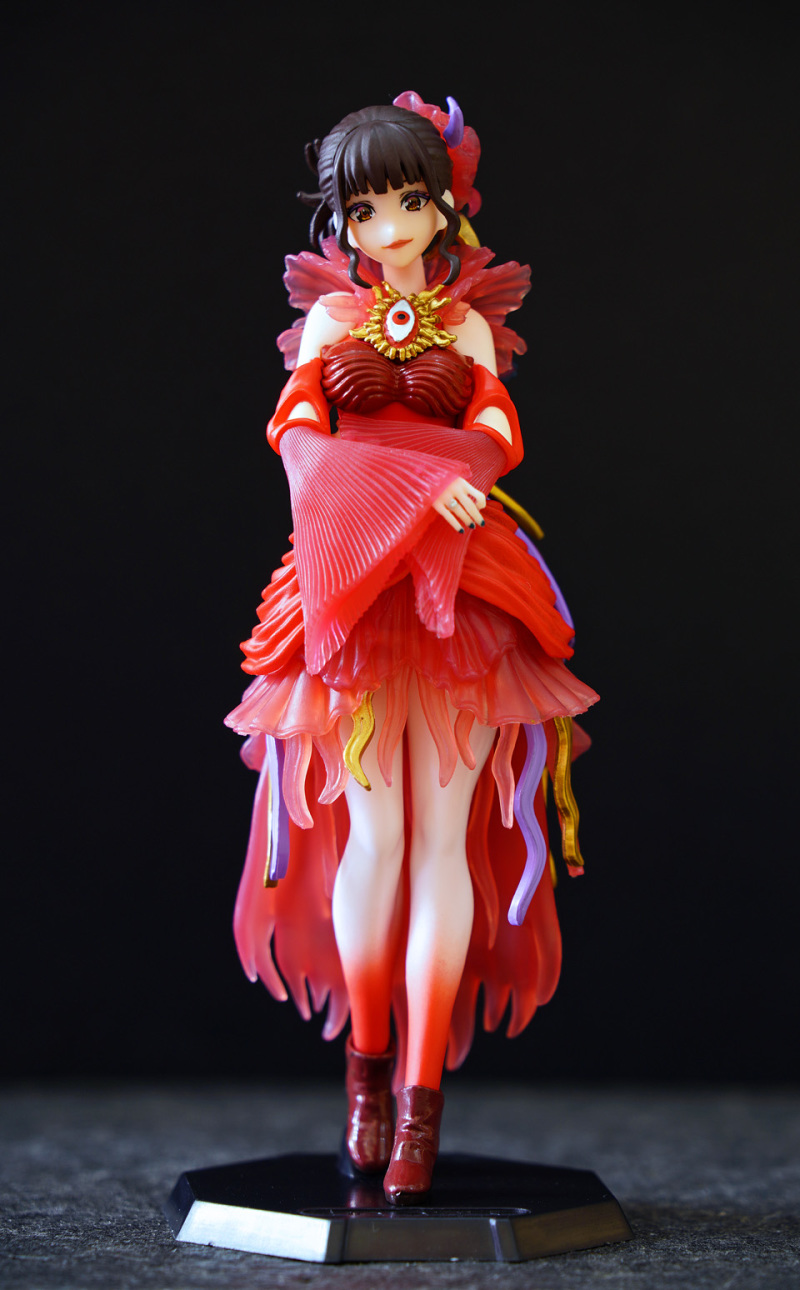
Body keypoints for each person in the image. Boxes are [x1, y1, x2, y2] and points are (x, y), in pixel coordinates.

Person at [225, 92, 599, 1205]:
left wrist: (453, 482)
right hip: (351, 587)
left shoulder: (468, 326)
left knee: (440, 843)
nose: (388, 228)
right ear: (339, 219)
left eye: (407, 203)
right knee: (372, 840)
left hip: (462, 594)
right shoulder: (332, 324)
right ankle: (365, 1075)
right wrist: (382, 495)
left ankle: (422, 1096)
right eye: (364, 210)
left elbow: (495, 433)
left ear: (444, 206)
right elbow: (297, 439)